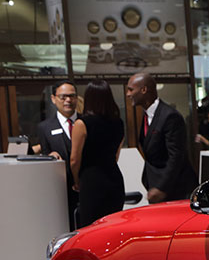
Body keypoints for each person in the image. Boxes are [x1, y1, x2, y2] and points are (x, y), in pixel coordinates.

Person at [125, 72, 196, 203]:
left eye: (130, 89)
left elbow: (176, 156)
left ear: (144, 90)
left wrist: (161, 188)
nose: (128, 94)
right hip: (156, 186)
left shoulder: (170, 116)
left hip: (174, 190)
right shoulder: (146, 116)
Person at [69, 81, 126, 227]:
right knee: (112, 226)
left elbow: (74, 159)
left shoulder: (81, 124)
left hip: (91, 181)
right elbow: (116, 156)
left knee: (91, 228)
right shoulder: (118, 123)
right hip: (114, 179)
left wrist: (76, 180)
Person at [33, 81, 80, 225]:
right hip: (61, 189)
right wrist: (50, 156)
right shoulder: (45, 127)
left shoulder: (87, 121)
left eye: (72, 96)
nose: (68, 100)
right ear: (53, 99)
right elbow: (45, 154)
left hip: (87, 186)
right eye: (63, 97)